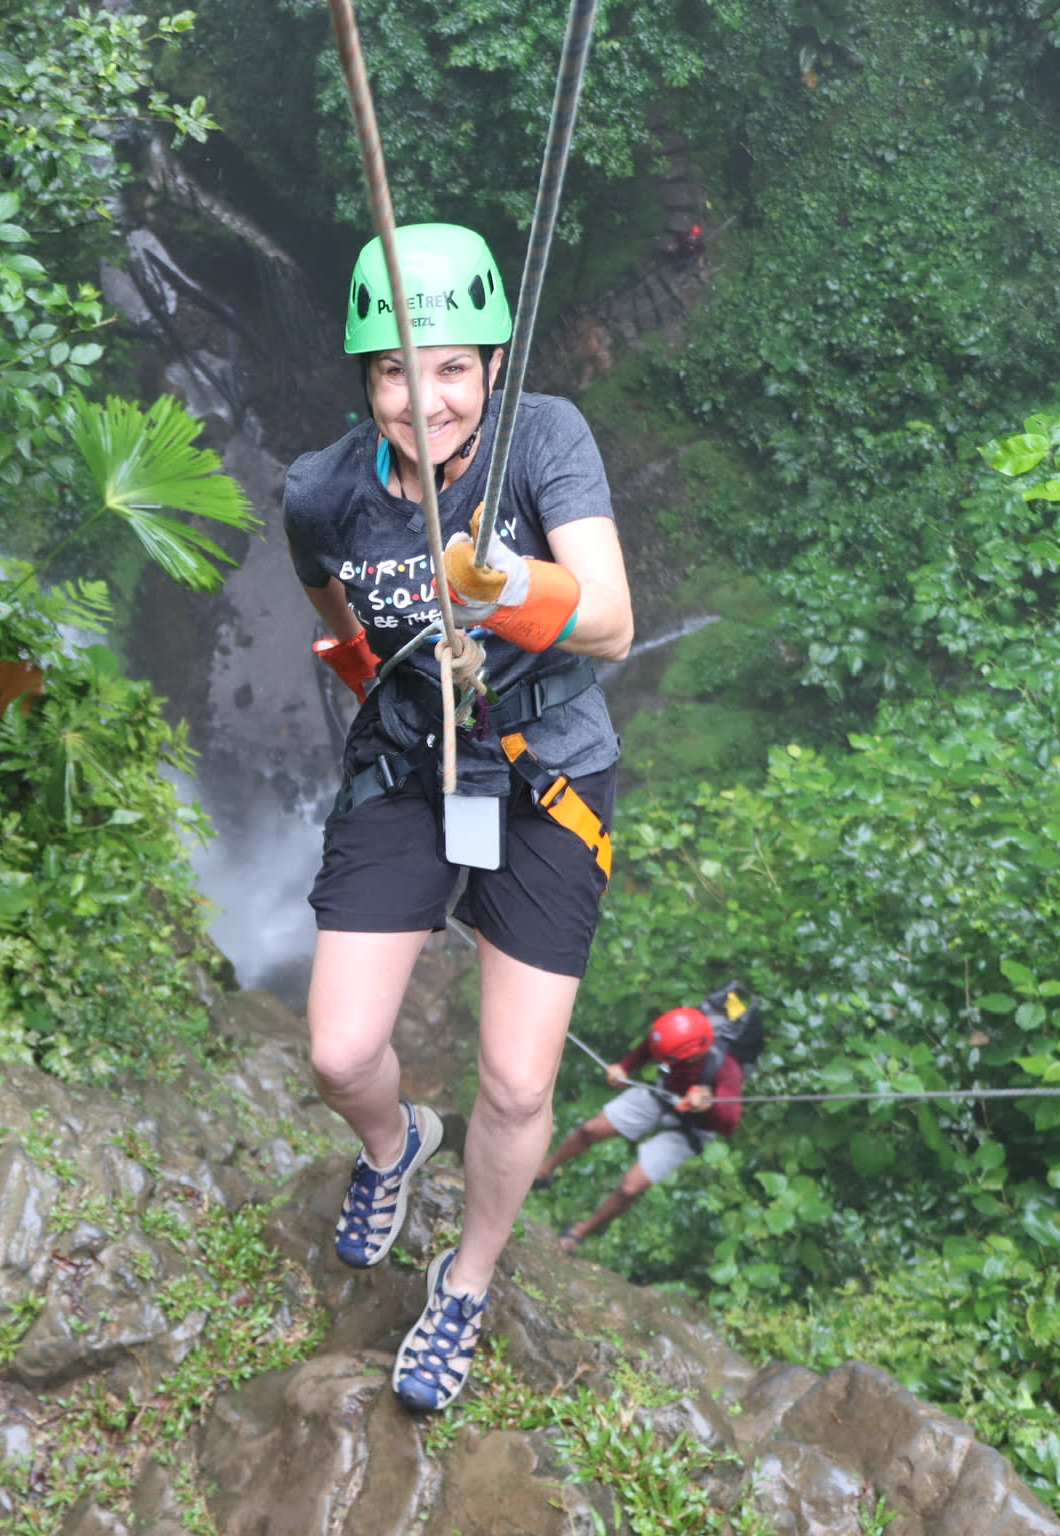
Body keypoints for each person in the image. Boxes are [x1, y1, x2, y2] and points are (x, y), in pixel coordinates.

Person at [284, 222, 633, 1413]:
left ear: (491, 364)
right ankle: (396, 1146)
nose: (422, 399)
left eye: (449, 368)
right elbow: (335, 616)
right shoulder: (323, 492)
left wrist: (507, 585)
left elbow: (612, 620)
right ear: (365, 380)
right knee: (339, 1053)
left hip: (542, 772)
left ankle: (466, 1283)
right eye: (394, 370)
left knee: (521, 1084)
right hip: (407, 761)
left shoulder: (544, 439)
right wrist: (379, 682)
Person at [533, 1005, 745, 1252]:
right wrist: (624, 1066)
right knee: (591, 1130)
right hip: (664, 1094)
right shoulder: (675, 1040)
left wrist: (708, 1105)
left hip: (694, 1127)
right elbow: (652, 1047)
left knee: (630, 1188)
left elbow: (729, 1124)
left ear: (689, 1055)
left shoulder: (726, 1069)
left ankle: (580, 1231)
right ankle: (543, 1171)